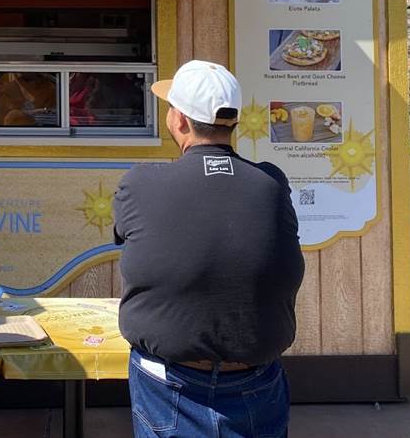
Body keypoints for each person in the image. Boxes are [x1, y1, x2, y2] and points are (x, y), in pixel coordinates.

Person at [114, 60, 304, 438]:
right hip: (256, 379)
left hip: (167, 381)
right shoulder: (271, 182)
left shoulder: (140, 183)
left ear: (180, 120)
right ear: (233, 121)